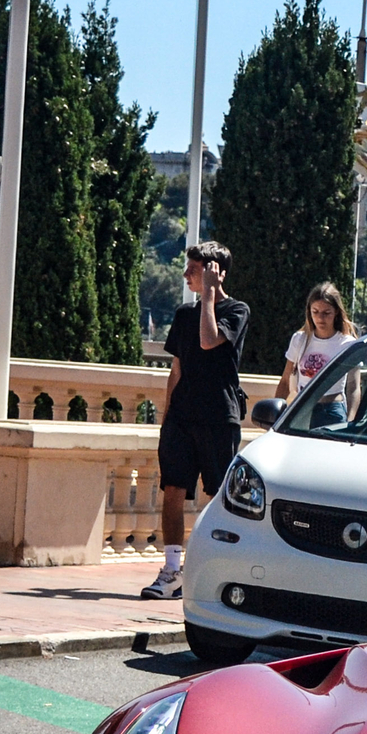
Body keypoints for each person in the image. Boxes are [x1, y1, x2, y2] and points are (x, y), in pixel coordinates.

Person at [142, 243, 250, 600]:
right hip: (182, 417)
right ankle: (172, 570)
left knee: (215, 496)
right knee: (172, 490)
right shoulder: (184, 313)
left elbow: (209, 342)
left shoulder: (236, 310)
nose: (187, 274)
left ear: (213, 272)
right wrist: (166, 414)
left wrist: (208, 297)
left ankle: (209, 571)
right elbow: (177, 368)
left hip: (218, 417)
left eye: (194, 269)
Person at [276, 281, 354, 427]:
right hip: (302, 408)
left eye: (326, 313)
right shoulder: (299, 339)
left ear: (336, 312)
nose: (320, 318)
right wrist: (275, 415)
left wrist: (351, 421)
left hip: (332, 410)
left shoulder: (347, 343)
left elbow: (353, 387)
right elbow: (286, 380)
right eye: (315, 312)